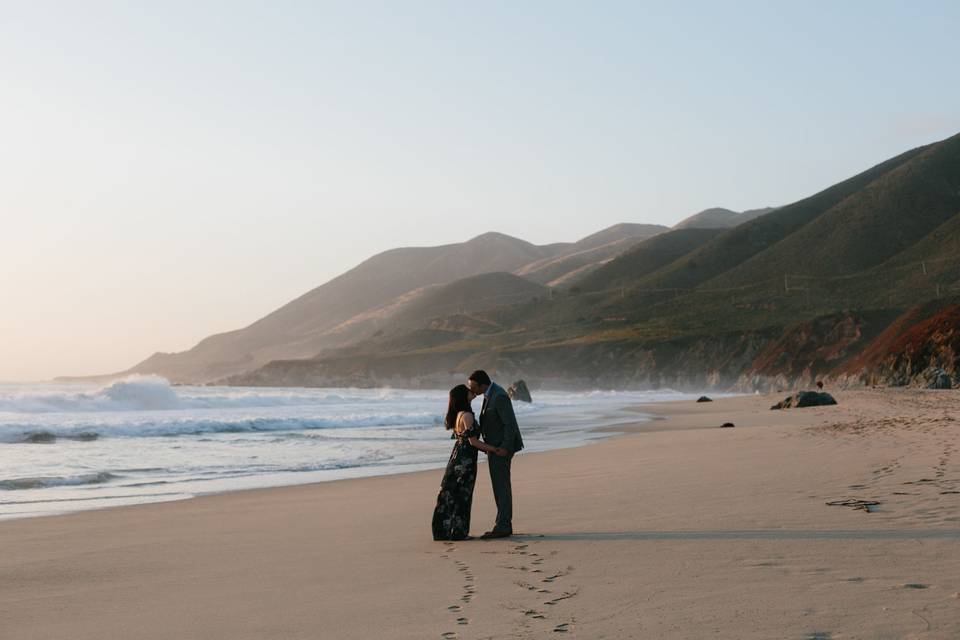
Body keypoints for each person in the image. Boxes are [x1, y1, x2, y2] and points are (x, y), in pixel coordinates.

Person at [432, 384, 508, 541]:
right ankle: (458, 532)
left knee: (453, 492)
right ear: (463, 396)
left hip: (458, 456)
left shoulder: (459, 414)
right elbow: (473, 442)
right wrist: (494, 449)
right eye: (468, 390)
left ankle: (446, 530)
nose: (471, 391)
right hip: (465, 460)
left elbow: (467, 440)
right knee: (462, 494)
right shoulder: (467, 415)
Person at [467, 370, 524, 539]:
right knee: (499, 487)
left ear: (481, 384)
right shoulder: (489, 394)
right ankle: (502, 523)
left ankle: (504, 525)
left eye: (473, 386)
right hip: (495, 447)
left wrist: (505, 447)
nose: (471, 390)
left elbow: (510, 424)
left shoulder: (499, 396)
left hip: (501, 448)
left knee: (501, 487)